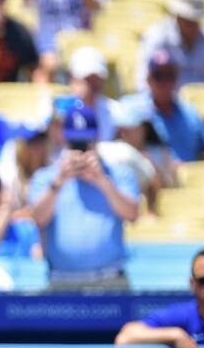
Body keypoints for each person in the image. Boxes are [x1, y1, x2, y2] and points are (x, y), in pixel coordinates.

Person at [29, 100, 139, 292]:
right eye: (75, 143)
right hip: (62, 283)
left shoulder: (118, 174)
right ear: (65, 139)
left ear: (97, 139)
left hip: (110, 280)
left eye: (85, 143)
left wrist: (103, 182)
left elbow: (132, 213)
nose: (80, 150)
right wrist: (59, 181)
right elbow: (38, 218)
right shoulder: (46, 177)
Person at [135, 0, 204, 94]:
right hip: (166, 106)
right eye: (187, 19)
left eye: (195, 20)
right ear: (177, 16)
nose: (192, 24)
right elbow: (143, 83)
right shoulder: (157, 37)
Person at [20, 0, 106, 83]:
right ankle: (45, 100)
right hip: (47, 42)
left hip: (78, 41)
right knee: (47, 66)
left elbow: (95, 7)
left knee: (88, 68)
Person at [146, 47, 204, 164]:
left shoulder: (190, 113)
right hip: (158, 179)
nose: (164, 82)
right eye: (158, 76)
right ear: (149, 80)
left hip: (192, 179)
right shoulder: (140, 116)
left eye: (169, 76)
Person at [96, 93, 174, 214]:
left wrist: (152, 168)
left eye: (129, 128)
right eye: (120, 128)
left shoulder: (160, 153)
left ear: (145, 128)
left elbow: (170, 187)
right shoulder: (111, 152)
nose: (122, 133)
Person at [66, 46, 114, 142]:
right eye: (87, 79)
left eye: (96, 79)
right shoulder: (57, 109)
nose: (91, 86)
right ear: (72, 78)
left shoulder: (114, 111)